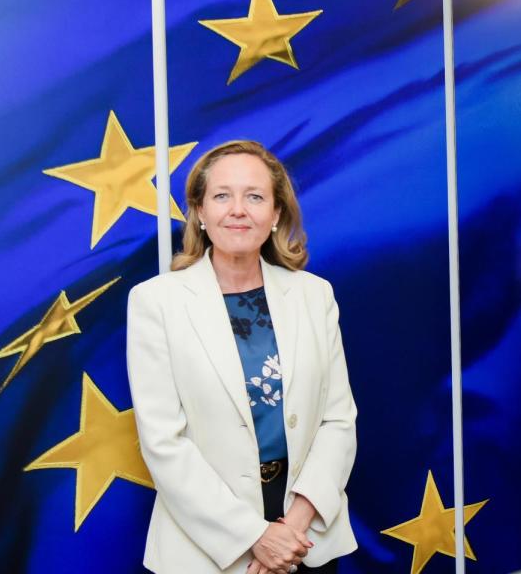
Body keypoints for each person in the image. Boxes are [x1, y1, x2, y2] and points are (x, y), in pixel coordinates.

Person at [127, 140, 357, 573]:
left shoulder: (314, 295)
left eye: (254, 196)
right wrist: (256, 539)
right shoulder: (155, 302)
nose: (238, 209)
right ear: (198, 211)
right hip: (204, 550)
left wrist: (292, 529)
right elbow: (163, 443)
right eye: (221, 195)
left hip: (305, 541)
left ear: (275, 215)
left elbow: (338, 420)